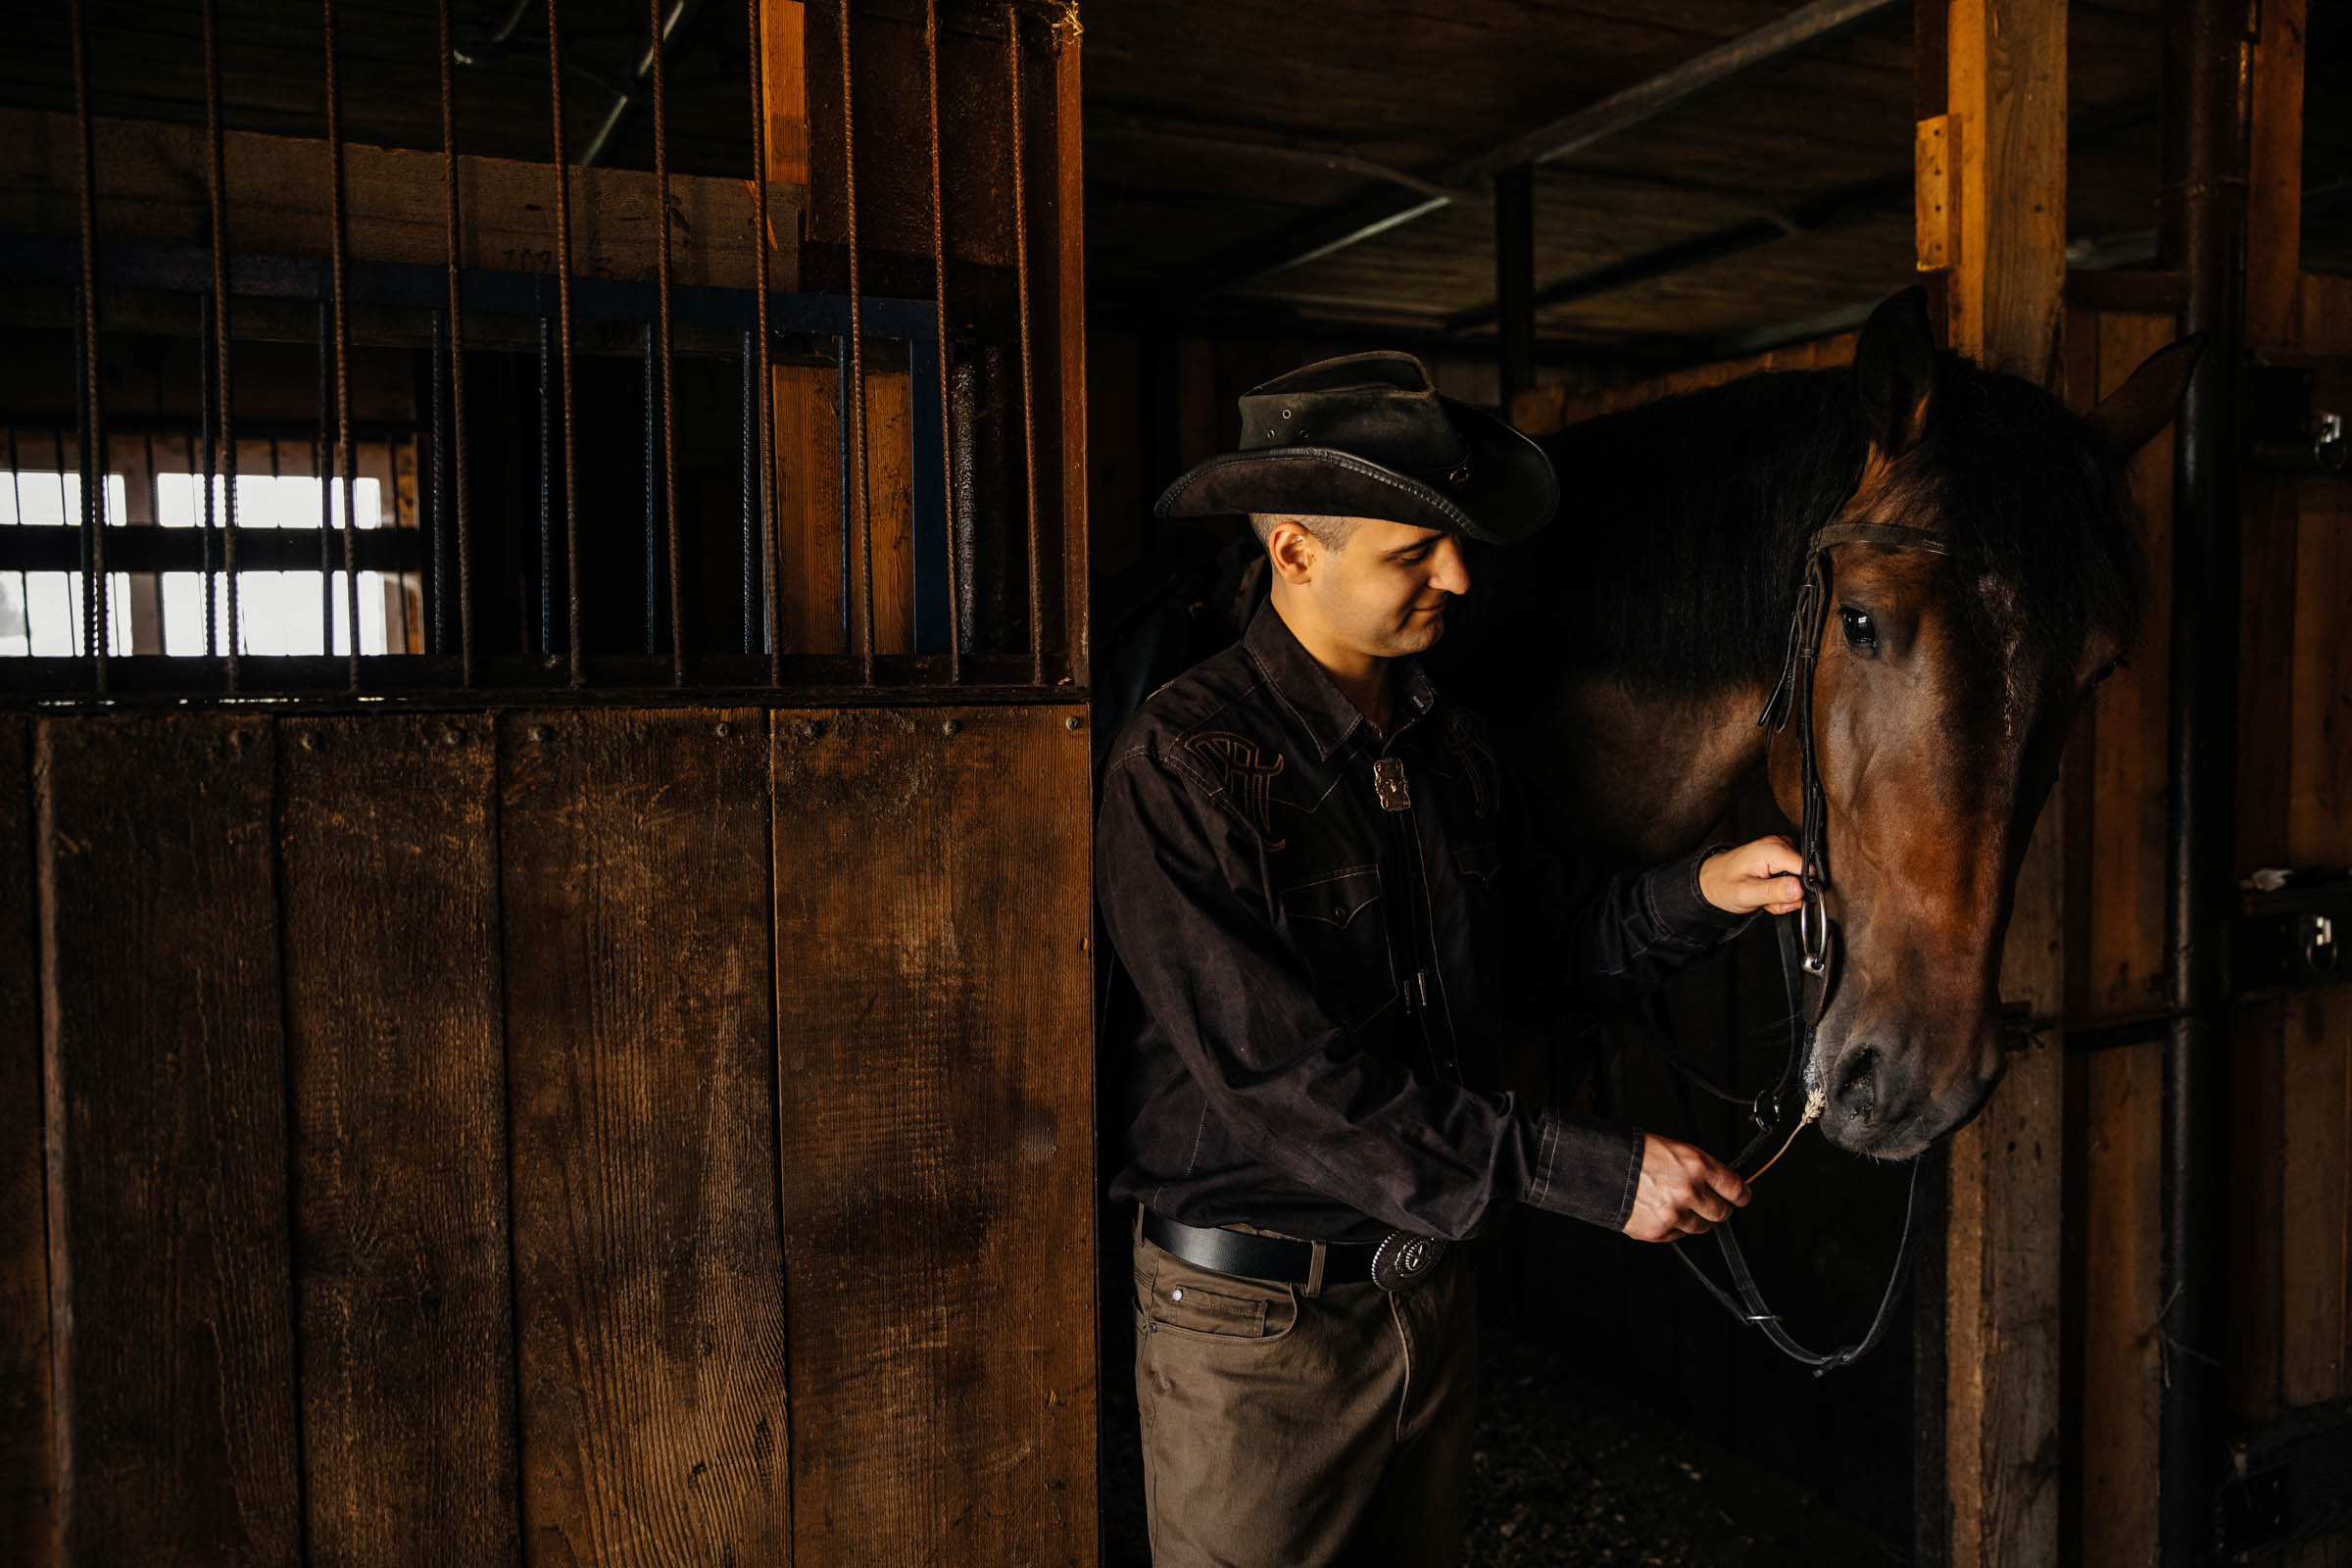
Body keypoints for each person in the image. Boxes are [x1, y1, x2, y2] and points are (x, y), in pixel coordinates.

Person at [1094, 351, 1805, 1568]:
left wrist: (1707, 888)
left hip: (1429, 1298)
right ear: (1296, 553)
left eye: (1456, 545)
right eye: (1413, 553)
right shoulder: (1187, 764)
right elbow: (1282, 1087)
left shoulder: (1450, 748)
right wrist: (1591, 1171)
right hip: (1257, 1330)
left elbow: (1545, 957)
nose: (1459, 578)